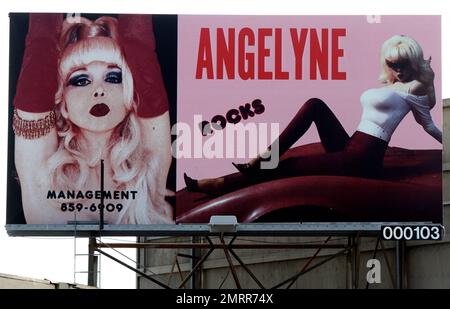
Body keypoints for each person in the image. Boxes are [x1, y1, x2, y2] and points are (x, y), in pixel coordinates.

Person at [184, 34, 442, 195]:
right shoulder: (394, 86)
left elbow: (429, 126)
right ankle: (264, 157)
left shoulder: (415, 88)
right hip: (351, 144)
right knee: (315, 104)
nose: (398, 70)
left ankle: (220, 183)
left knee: (286, 167)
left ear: (415, 62)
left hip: (362, 160)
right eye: (393, 65)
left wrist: (429, 81)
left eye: (404, 64)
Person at [13, 14, 173, 224]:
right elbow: (39, 50)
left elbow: (140, 43)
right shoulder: (43, 172)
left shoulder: (148, 167)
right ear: (63, 105)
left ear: (130, 98)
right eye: (81, 80)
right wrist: (50, 33)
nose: (99, 90)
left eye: (113, 78)